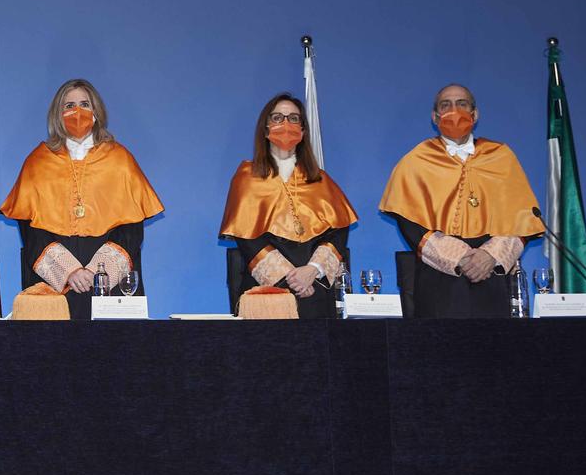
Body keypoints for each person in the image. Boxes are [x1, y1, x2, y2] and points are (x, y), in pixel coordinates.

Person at [0, 78, 164, 321]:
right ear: (57, 114)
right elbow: (31, 229)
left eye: (84, 104)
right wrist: (70, 271)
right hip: (56, 283)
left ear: (96, 111)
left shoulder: (120, 159)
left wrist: (98, 272)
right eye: (69, 106)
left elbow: (131, 228)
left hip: (110, 283)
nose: (77, 112)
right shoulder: (38, 161)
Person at [378, 83, 544, 319]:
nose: (454, 110)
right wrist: (462, 258)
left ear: (475, 115)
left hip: (492, 277)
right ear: (435, 117)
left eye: (461, 104)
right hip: (439, 282)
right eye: (445, 105)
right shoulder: (416, 161)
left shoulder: (501, 156)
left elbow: (523, 220)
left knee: (495, 352)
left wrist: (489, 256)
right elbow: (410, 225)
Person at [219, 93, 358, 318]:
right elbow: (247, 237)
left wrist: (312, 271)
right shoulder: (246, 177)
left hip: (315, 287)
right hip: (267, 292)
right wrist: (292, 278)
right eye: (277, 118)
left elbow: (338, 232)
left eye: (293, 118)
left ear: (303, 131)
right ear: (265, 130)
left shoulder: (320, 179)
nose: (285, 124)